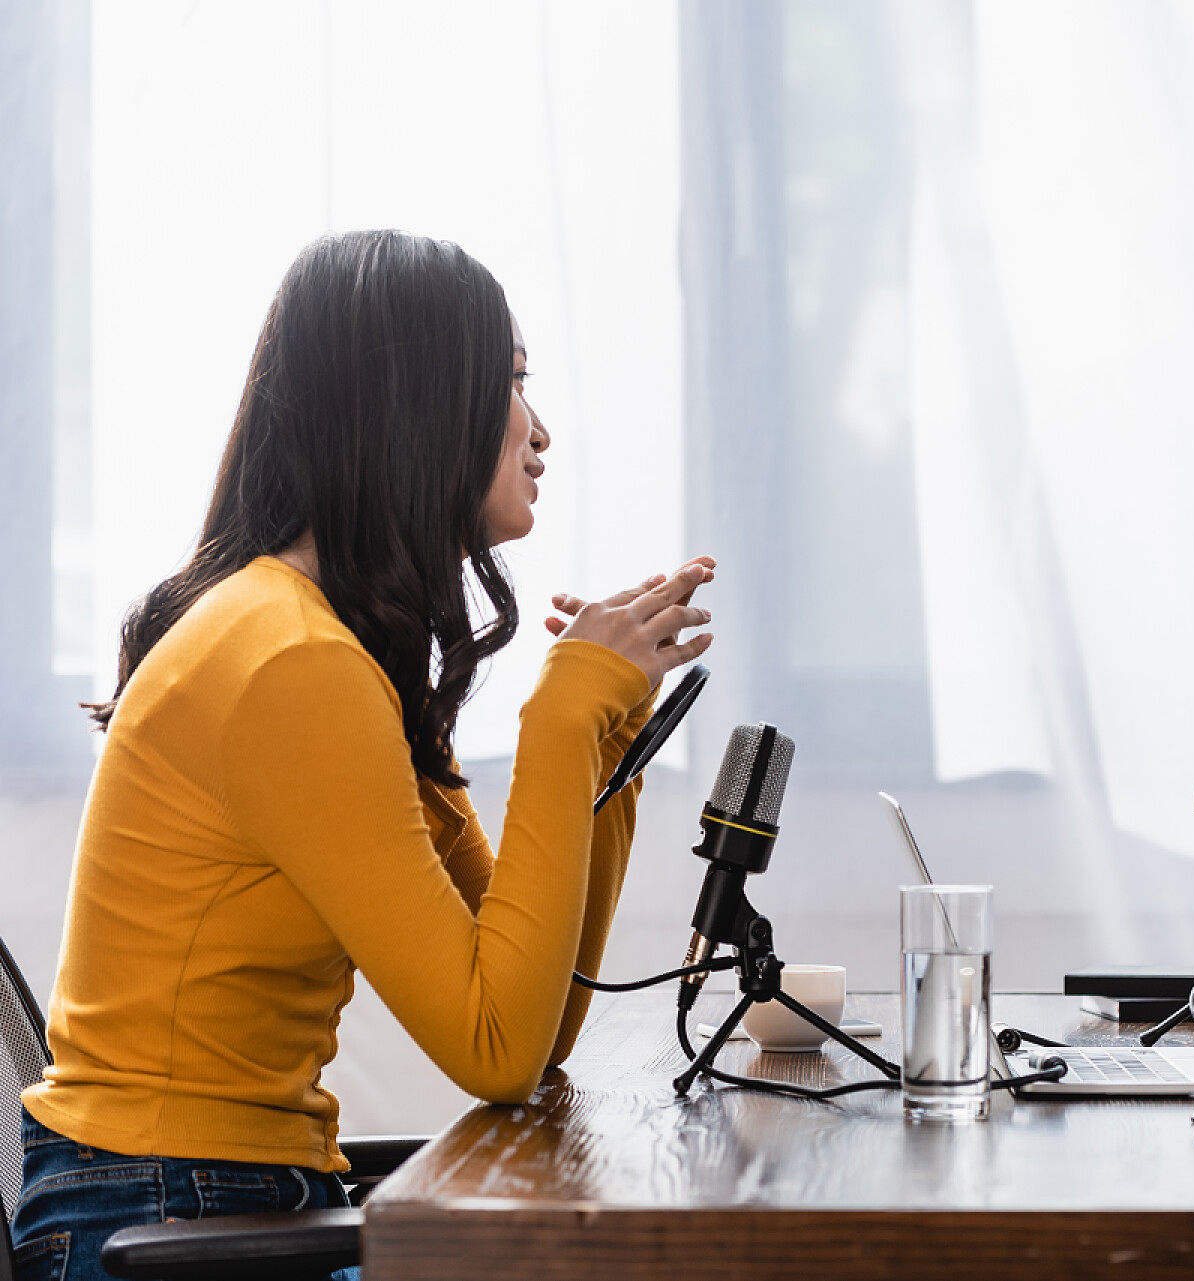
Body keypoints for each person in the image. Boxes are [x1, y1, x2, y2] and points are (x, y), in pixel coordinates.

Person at [8, 230, 713, 1281]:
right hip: (160, 1222)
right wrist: (560, 723)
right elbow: (496, 1051)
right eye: (512, 383)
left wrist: (604, 758)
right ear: (419, 406)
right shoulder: (288, 662)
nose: (542, 431)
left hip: (209, 1203)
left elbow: (536, 1020)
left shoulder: (329, 648)